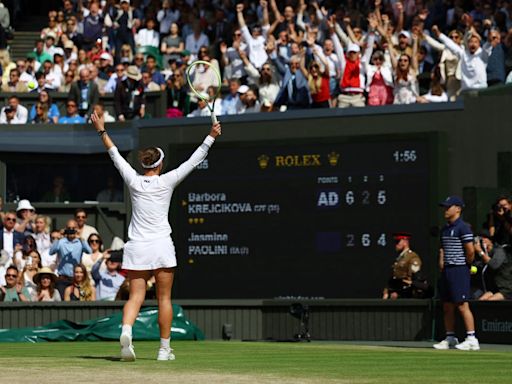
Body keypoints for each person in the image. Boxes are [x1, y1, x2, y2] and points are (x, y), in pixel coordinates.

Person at [91, 105, 221, 361]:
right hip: (161, 245)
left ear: (144, 164)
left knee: (136, 296)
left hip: (137, 246)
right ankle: (164, 349)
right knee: (164, 298)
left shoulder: (133, 179)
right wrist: (212, 136)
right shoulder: (168, 179)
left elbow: (113, 153)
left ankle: (126, 331)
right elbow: (194, 160)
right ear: (160, 164)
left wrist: (101, 131)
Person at [434, 196, 479, 351]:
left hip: (459, 269)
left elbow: (470, 250)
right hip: (447, 269)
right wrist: (442, 262)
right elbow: (442, 248)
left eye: (448, 207)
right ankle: (450, 337)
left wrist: (466, 265)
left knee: (461, 305)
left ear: (458, 209)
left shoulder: (463, 227)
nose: (445, 210)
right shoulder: (445, 229)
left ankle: (472, 338)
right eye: (445, 207)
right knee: (447, 305)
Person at [49, 219, 92, 298]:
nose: (71, 230)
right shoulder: (61, 242)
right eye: (69, 228)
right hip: (63, 278)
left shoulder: (80, 242)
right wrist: (57, 238)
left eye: (73, 228)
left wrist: (81, 237)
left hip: (76, 278)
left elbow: (89, 251)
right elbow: (51, 252)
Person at [382, 232, 427, 299]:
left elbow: (415, 279)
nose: (396, 245)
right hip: (396, 292)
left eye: (398, 242)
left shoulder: (412, 257)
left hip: (406, 294)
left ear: (405, 242)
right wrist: (387, 291)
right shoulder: (400, 258)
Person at [475, 231, 512, 301]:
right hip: (494, 289)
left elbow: (493, 265)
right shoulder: (484, 254)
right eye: (480, 238)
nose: (482, 240)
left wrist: (480, 251)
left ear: (490, 240)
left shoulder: (499, 251)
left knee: (490, 302)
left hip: (506, 289)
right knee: (481, 301)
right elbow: (477, 266)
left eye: (484, 238)